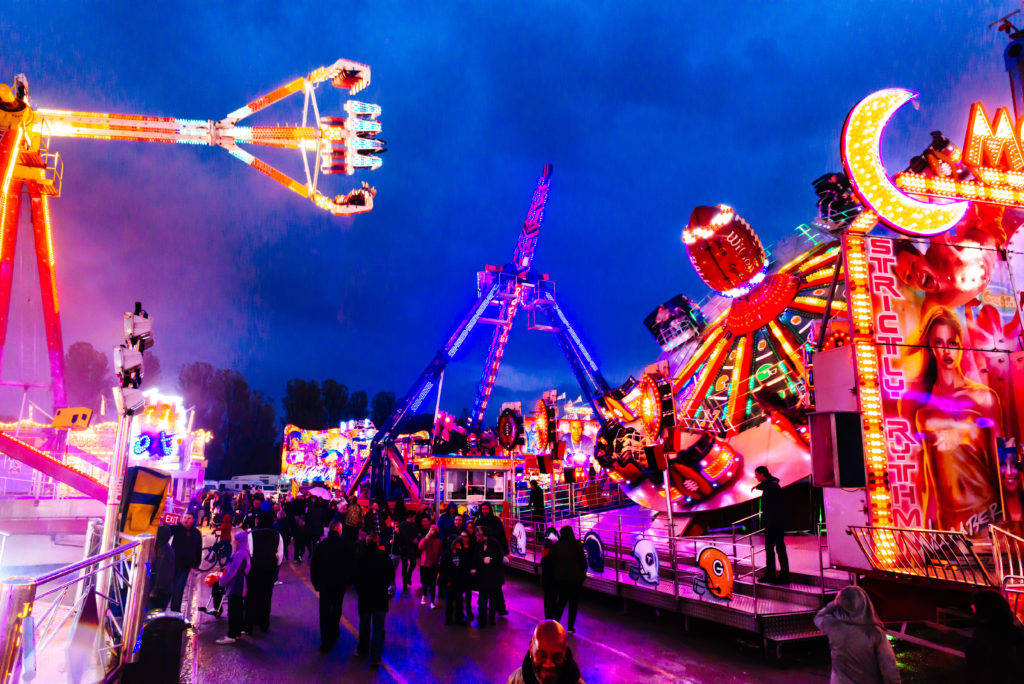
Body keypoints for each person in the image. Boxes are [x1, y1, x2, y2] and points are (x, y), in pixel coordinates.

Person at [814, 586, 899, 684]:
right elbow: (888, 666)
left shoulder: (833, 625)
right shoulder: (875, 633)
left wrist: (835, 603)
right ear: (865, 603)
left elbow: (819, 616)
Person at [310, 520, 354, 652]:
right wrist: (348, 582)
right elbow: (350, 565)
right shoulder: (345, 545)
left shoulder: (322, 545)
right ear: (339, 530)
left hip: (324, 585)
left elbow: (314, 565)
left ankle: (325, 640)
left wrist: (315, 583)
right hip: (339, 585)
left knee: (324, 611)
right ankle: (334, 632)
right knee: (336, 609)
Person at [965, 588, 1024, 682]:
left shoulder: (982, 639)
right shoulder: (1013, 631)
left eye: (975, 604)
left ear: (985, 610)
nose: (971, 606)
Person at [354, 533, 394, 666]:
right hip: (380, 598)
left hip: (365, 597)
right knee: (378, 627)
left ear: (366, 543)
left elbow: (356, 578)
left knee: (364, 626)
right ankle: (375, 656)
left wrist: (360, 590)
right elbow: (390, 576)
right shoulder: (384, 557)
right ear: (378, 542)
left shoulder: (361, 558)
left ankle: (363, 650)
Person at [507, 619, 585, 684]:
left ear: (565, 652)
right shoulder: (515, 681)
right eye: (542, 655)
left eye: (556, 656)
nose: (548, 665)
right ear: (531, 649)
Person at [244, 516, 284, 633]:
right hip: (269, 569)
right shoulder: (277, 535)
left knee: (251, 596)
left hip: (254, 568)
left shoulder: (252, 534)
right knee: (266, 596)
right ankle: (264, 624)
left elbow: (249, 552)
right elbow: (280, 555)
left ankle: (249, 626)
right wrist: (274, 565)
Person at [753, 465, 789, 584]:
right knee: (775, 549)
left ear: (762, 474)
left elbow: (775, 506)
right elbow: (767, 483)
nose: (755, 476)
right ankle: (775, 575)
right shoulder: (771, 484)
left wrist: (770, 522)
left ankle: (778, 576)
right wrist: (757, 486)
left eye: (757, 474)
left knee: (775, 549)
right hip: (775, 522)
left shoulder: (771, 486)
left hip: (774, 523)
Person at [215, 530, 252, 644]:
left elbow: (232, 571)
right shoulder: (244, 552)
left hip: (237, 585)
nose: (233, 541)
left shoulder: (240, 554)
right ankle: (237, 633)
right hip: (241, 585)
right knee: (238, 608)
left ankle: (231, 635)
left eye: (235, 539)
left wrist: (221, 581)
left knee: (233, 610)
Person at [551, 526, 586, 633]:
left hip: (561, 579)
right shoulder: (577, 544)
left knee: (561, 602)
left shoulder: (557, 545)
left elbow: (552, 561)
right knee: (573, 604)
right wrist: (582, 576)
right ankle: (570, 627)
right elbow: (583, 562)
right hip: (575, 580)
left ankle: (555, 623)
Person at [476, 502, 509, 615]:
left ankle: (499, 606)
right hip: (483, 552)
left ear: (489, 509)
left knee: (496, 584)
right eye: (483, 509)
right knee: (485, 583)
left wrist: (506, 551)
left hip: (495, 552)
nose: (485, 511)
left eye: (486, 509)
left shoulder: (496, 521)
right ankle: (485, 605)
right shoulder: (479, 521)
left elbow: (502, 536)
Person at [169, 513, 202, 612]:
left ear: (193, 520)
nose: (186, 520)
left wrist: (197, 563)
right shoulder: (177, 528)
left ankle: (175, 610)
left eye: (189, 518)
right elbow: (166, 531)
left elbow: (198, 548)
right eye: (184, 517)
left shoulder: (196, 533)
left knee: (179, 588)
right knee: (171, 587)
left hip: (186, 565)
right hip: (173, 563)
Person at [471, 527, 502, 627]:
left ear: (484, 535)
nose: (476, 536)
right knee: (483, 599)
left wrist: (491, 560)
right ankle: (482, 619)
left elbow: (499, 557)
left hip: (493, 576)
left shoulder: (494, 543)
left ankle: (491, 619)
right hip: (483, 576)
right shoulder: (479, 545)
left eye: (478, 534)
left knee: (492, 599)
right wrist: (474, 567)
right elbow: (475, 558)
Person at [440, 534, 471, 625]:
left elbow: (464, 567)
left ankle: (458, 618)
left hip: (459, 582)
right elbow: (443, 569)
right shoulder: (446, 555)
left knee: (459, 601)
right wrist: (447, 581)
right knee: (449, 602)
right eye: (457, 543)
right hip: (450, 582)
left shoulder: (461, 554)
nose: (459, 545)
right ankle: (448, 619)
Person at [147, 525, 175, 612]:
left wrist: (154, 590)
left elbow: (161, 573)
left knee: (153, 616)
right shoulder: (164, 548)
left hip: (159, 592)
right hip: (163, 591)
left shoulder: (163, 551)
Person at [418, 523, 442, 608]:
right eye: (430, 530)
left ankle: (432, 601)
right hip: (425, 564)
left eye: (433, 530)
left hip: (434, 565)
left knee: (433, 583)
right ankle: (424, 596)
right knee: (424, 582)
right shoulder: (425, 539)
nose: (432, 531)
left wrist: (439, 562)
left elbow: (440, 553)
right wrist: (427, 537)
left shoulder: (438, 541)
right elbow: (420, 547)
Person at [396, 512, 420, 594]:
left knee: (413, 563)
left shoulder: (414, 525)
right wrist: (412, 539)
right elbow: (403, 535)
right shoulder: (402, 525)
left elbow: (417, 533)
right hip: (404, 548)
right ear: (411, 517)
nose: (414, 519)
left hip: (412, 548)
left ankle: (408, 577)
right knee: (404, 566)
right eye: (414, 517)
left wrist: (417, 538)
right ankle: (404, 584)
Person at [541, 534, 558, 620]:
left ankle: (548, 615)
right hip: (553, 578)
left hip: (546, 579)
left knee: (547, 598)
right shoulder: (552, 553)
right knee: (553, 597)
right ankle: (553, 614)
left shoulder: (545, 553)